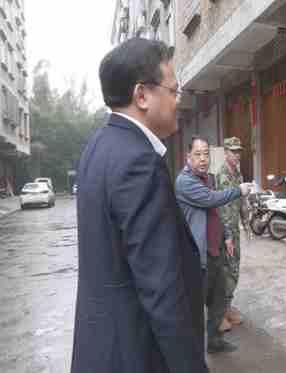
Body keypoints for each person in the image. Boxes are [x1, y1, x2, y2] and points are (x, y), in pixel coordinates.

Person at [72, 38, 208, 373]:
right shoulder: (138, 162)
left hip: (102, 347)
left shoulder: (99, 146)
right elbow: (160, 287)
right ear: (142, 95)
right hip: (135, 353)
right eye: (173, 91)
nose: (179, 101)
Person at [175, 135, 252, 354]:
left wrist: (227, 234)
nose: (202, 159)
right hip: (198, 255)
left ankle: (215, 342)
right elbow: (211, 200)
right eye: (197, 154)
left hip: (215, 249)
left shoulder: (207, 178)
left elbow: (216, 212)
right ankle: (192, 353)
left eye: (206, 154)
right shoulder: (185, 182)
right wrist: (239, 190)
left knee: (219, 299)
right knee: (195, 306)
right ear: (188, 157)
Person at [215, 137, 249, 330]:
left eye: (238, 151)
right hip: (224, 230)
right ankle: (218, 314)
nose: (237, 155)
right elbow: (224, 208)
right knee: (225, 270)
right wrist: (227, 236)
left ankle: (226, 307)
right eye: (233, 151)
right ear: (226, 152)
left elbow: (241, 199)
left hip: (234, 228)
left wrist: (246, 222)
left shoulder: (236, 172)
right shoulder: (223, 175)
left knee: (233, 268)